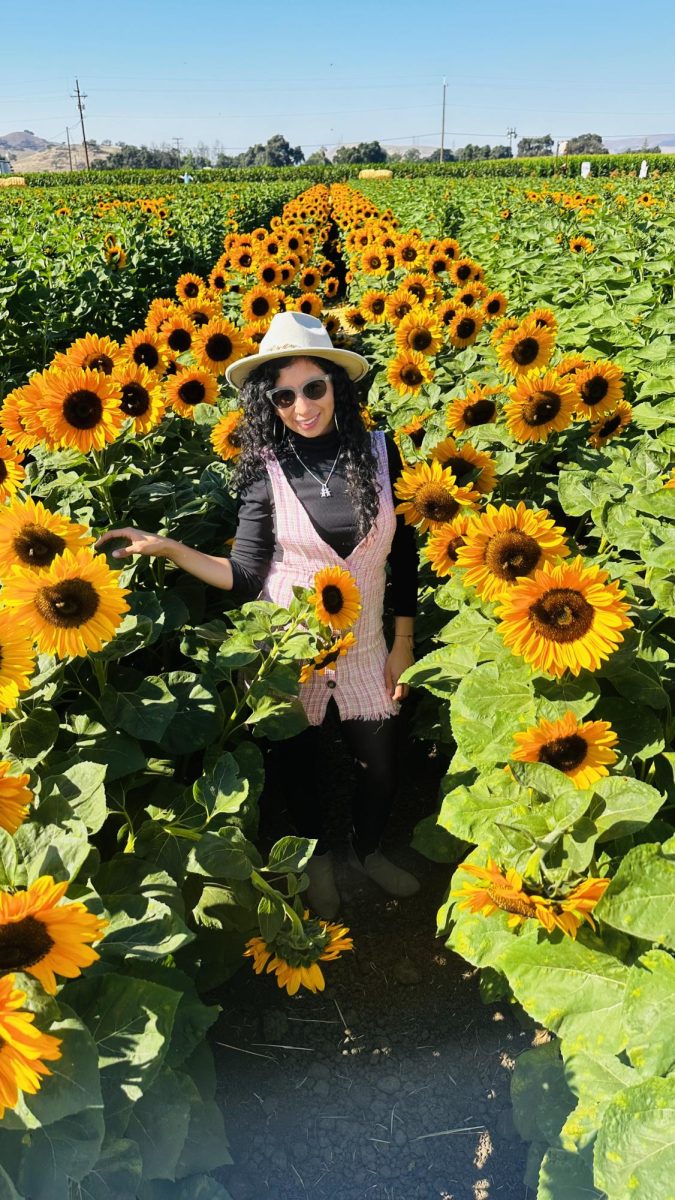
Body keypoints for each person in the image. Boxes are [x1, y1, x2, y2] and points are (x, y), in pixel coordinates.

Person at [95, 312, 420, 919]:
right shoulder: (266, 470)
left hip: (370, 646)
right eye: (285, 395)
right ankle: (319, 862)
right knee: (300, 769)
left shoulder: (381, 453)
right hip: (288, 651)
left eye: (314, 388)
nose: (302, 406)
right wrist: (169, 548)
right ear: (269, 401)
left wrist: (403, 641)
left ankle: (368, 850)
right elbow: (244, 572)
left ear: (338, 386)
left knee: (379, 766)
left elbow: (402, 554)